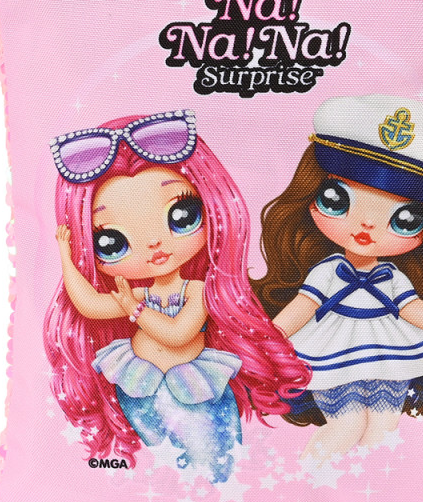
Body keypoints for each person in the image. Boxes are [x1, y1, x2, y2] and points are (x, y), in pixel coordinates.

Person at [44, 110, 310, 482]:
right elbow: (88, 304)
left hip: (195, 387)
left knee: (212, 464)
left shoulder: (195, 291)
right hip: (140, 385)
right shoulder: (136, 292)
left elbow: (178, 333)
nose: (155, 244)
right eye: (112, 242)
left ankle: (217, 500)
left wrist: (133, 308)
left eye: (181, 216)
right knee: (158, 470)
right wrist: (66, 255)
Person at [252, 95, 423, 461]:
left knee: (383, 428)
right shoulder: (328, 271)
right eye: (337, 199)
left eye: (405, 219)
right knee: (346, 425)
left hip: (388, 353)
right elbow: (302, 306)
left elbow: (412, 308)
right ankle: (311, 478)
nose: (368, 224)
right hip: (331, 350)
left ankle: (372, 488)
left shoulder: (390, 276)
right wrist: (270, 337)